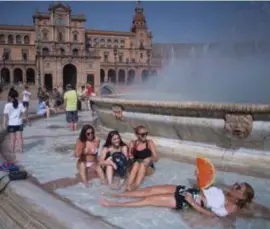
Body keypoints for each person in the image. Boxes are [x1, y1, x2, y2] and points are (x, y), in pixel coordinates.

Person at [100, 173, 255, 218]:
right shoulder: (225, 190)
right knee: (150, 190)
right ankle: (117, 194)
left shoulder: (231, 207)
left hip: (190, 201)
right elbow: (206, 188)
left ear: (240, 197)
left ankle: (114, 203)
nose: (235, 185)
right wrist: (200, 177)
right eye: (237, 184)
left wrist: (192, 204)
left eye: (238, 187)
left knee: (150, 200)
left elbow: (211, 215)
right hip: (189, 190)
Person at [126, 125, 158, 191]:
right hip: (135, 166)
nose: (145, 136)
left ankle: (136, 186)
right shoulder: (133, 143)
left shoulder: (149, 142)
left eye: (146, 134)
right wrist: (130, 156)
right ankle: (128, 185)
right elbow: (129, 157)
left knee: (142, 164)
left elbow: (156, 158)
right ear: (137, 135)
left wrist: (149, 158)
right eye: (143, 134)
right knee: (136, 164)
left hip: (147, 167)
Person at [3, 90, 26, 154]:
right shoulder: (20, 104)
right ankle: (21, 151)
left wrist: (4, 124)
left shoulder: (7, 105)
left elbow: (5, 116)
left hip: (11, 124)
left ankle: (12, 152)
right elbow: (23, 113)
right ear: (17, 96)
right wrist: (21, 118)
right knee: (20, 138)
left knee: (12, 139)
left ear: (10, 97)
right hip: (19, 123)